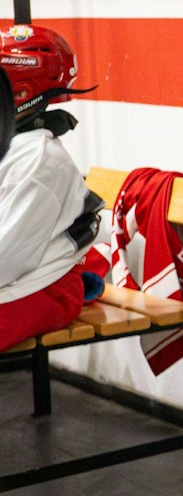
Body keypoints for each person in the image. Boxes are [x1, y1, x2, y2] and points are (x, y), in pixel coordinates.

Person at [0, 25, 103, 349]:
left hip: (37, 289)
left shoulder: (35, 162)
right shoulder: (14, 147)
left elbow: (6, 260)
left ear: (19, 94)